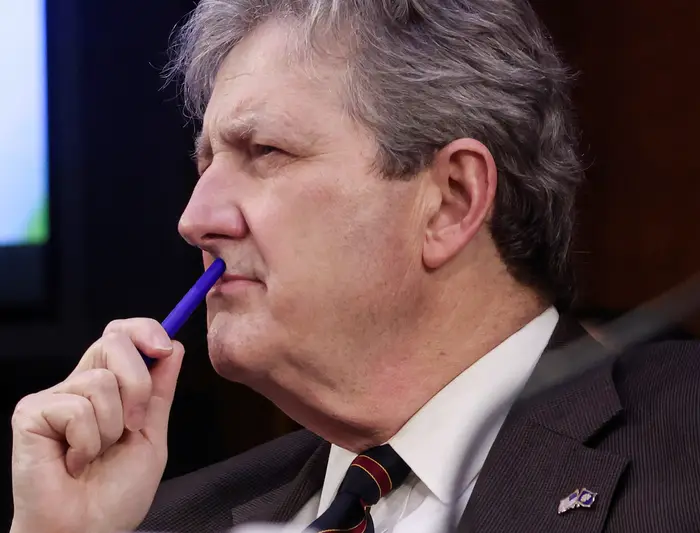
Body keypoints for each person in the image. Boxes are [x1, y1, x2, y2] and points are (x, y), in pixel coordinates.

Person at [9, 1, 700, 532]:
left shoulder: (682, 450)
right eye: (206, 163)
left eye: (265, 152)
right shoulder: (158, 520)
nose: (195, 219)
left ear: (451, 201)